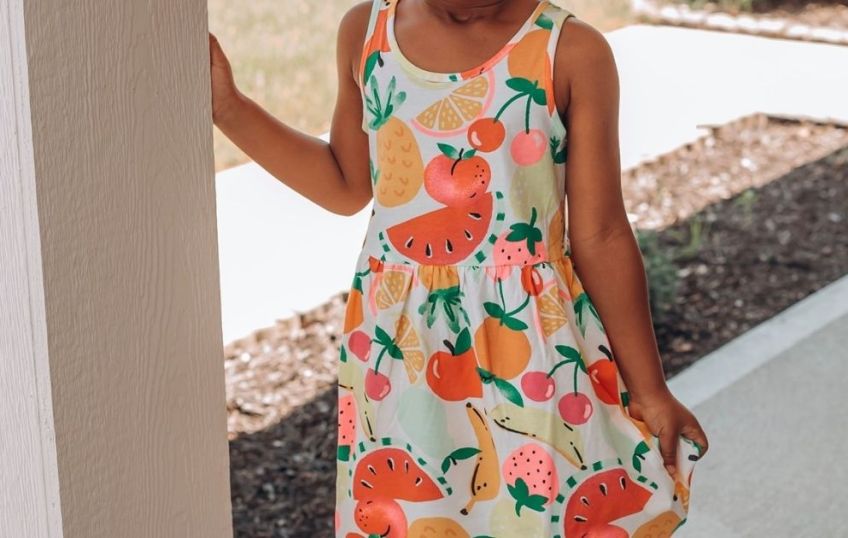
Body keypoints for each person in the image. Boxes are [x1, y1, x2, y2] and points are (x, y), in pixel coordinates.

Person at [209, 0, 709, 535]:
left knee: (538, 516)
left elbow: (601, 233)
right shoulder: (366, 33)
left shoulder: (570, 51)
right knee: (415, 518)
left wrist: (651, 391)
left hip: (531, 348)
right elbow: (344, 184)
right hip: (400, 351)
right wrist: (230, 108)